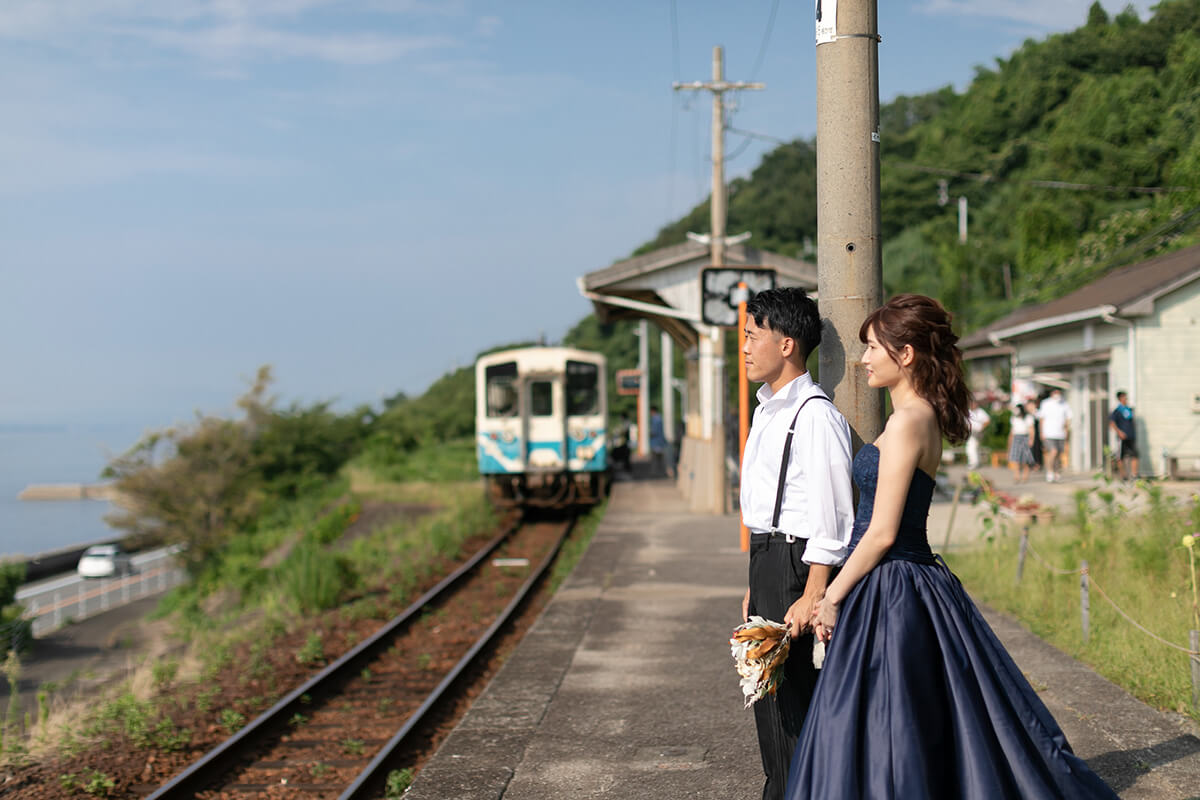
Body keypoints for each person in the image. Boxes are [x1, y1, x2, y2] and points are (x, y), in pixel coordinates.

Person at [785, 294, 1118, 800]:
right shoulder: (917, 416)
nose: (865, 359)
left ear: (907, 354)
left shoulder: (908, 420)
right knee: (925, 712)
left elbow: (882, 532)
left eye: (874, 347)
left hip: (891, 581)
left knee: (887, 713)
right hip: (901, 580)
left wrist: (830, 596)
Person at [739, 287, 854, 800]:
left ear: (787, 344)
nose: (744, 346)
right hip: (767, 559)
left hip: (798, 561)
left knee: (793, 710)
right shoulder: (767, 410)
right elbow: (764, 506)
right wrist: (753, 580)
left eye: (752, 335)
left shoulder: (814, 415)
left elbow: (832, 515)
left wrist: (813, 592)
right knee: (770, 706)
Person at [1038, 387, 1072, 482]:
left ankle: (1057, 472)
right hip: (1049, 433)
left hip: (1060, 434)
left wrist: (1066, 431)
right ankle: (1049, 471)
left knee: (1058, 455)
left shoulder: (1064, 404)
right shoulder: (1045, 403)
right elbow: (1041, 419)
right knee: (1053, 451)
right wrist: (1041, 432)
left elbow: (1068, 418)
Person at [1109, 390, 1138, 481]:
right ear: (1120, 398)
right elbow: (1112, 423)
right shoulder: (1117, 411)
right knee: (1120, 457)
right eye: (1124, 397)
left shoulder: (1129, 410)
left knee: (1135, 455)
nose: (1125, 399)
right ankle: (1123, 475)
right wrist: (1119, 432)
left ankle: (1134, 475)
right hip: (1122, 438)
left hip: (1131, 436)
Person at [1007, 402, 1037, 483]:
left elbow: (1031, 429)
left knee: (1025, 459)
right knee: (1015, 459)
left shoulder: (1028, 418)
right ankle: (1016, 476)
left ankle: (1025, 476)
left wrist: (1031, 439)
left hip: (1025, 437)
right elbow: (1012, 431)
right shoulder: (1014, 418)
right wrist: (1010, 440)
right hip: (1016, 437)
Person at [965, 396, 990, 469]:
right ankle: (976, 462)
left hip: (978, 432)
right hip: (971, 432)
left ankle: (973, 463)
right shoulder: (968, 411)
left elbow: (987, 421)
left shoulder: (980, 411)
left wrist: (982, 428)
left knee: (971, 447)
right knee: (974, 447)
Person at [649, 405, 673, 477]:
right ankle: (666, 472)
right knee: (662, 459)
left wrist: (650, 434)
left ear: (652, 411)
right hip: (661, 442)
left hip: (656, 442)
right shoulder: (659, 418)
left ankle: (658, 472)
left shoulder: (655, 419)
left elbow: (654, 431)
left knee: (658, 459)